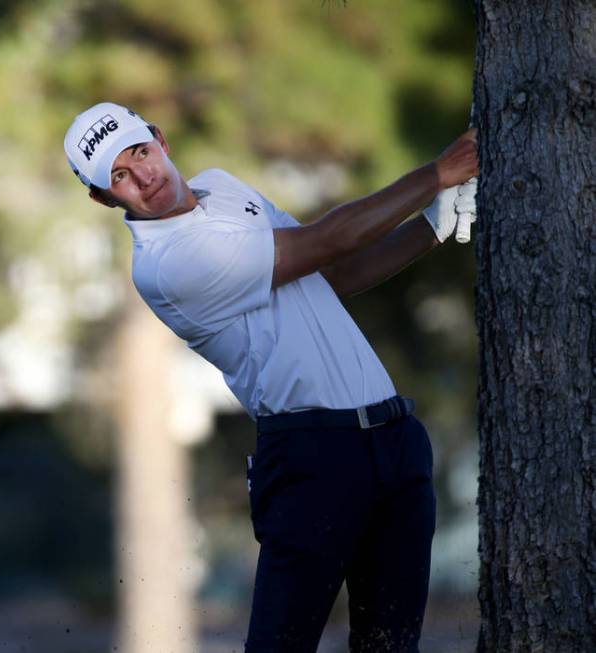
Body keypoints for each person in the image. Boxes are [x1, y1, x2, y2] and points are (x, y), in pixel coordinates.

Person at [63, 102, 479, 652]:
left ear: (160, 140)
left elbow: (334, 272)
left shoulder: (221, 186)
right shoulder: (167, 264)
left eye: (140, 151)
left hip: (396, 442)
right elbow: (327, 242)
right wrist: (436, 174)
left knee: (391, 645)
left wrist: (431, 225)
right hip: (313, 457)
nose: (142, 175)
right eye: (119, 175)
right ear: (103, 197)